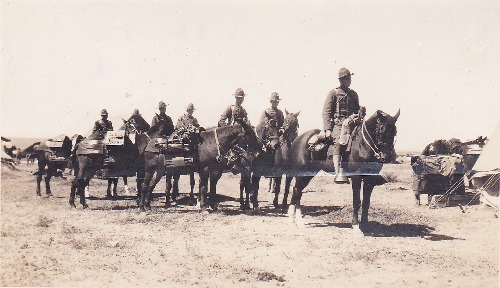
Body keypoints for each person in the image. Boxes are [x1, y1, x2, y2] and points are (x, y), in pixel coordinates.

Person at [322, 67, 360, 183]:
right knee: (339, 142)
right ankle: (338, 171)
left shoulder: (353, 94)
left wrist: (360, 114)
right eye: (348, 78)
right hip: (338, 125)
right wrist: (328, 129)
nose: (350, 80)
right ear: (342, 80)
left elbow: (357, 110)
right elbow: (326, 112)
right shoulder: (334, 93)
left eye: (350, 78)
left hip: (352, 123)